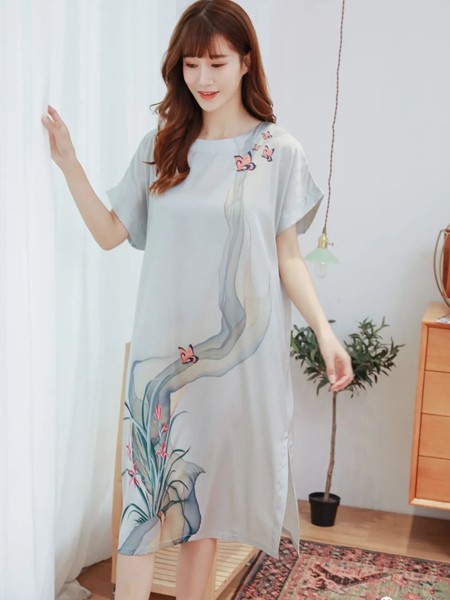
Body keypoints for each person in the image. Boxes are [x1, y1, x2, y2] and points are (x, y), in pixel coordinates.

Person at [42, 1, 354, 598]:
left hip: (232, 362)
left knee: (201, 514)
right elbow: (110, 233)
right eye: (190, 65)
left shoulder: (278, 151)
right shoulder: (163, 146)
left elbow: (288, 258)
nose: (203, 78)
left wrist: (325, 332)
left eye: (216, 62)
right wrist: (69, 163)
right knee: (143, 512)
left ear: (246, 62)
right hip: (162, 358)